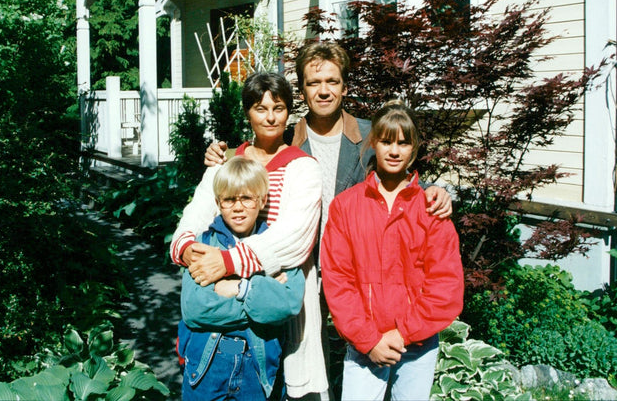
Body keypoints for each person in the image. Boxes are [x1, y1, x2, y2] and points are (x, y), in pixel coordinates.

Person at [170, 71, 328, 399]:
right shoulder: (227, 164)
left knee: (279, 384)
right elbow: (193, 219)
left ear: (289, 112)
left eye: (279, 107)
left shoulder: (303, 167)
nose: (270, 117)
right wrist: (190, 253)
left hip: (279, 305)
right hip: (221, 332)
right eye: (260, 108)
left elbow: (293, 238)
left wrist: (227, 268)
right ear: (247, 113)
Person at [205, 41, 453, 230]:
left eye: (332, 82)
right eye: (314, 83)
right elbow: (252, 160)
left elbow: (400, 178)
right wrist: (221, 156)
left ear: (344, 87)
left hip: (355, 268)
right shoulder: (287, 140)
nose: (323, 91)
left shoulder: (371, 136)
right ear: (302, 91)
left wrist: (432, 191)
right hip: (301, 270)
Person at [320, 100, 464, 401]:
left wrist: (403, 334)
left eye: (403, 143)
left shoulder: (430, 208)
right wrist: (369, 340)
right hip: (364, 343)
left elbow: (445, 285)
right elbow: (338, 281)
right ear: (374, 142)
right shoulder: (347, 206)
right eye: (386, 141)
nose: (394, 151)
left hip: (418, 343)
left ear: (414, 147)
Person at [178, 156, 305, 401]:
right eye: (229, 199)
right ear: (218, 203)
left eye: (247, 198)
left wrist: (241, 288)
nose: (238, 207)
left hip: (256, 369)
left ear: (262, 200)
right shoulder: (204, 244)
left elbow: (288, 304)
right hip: (207, 366)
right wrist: (263, 301)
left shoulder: (277, 245)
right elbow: (194, 309)